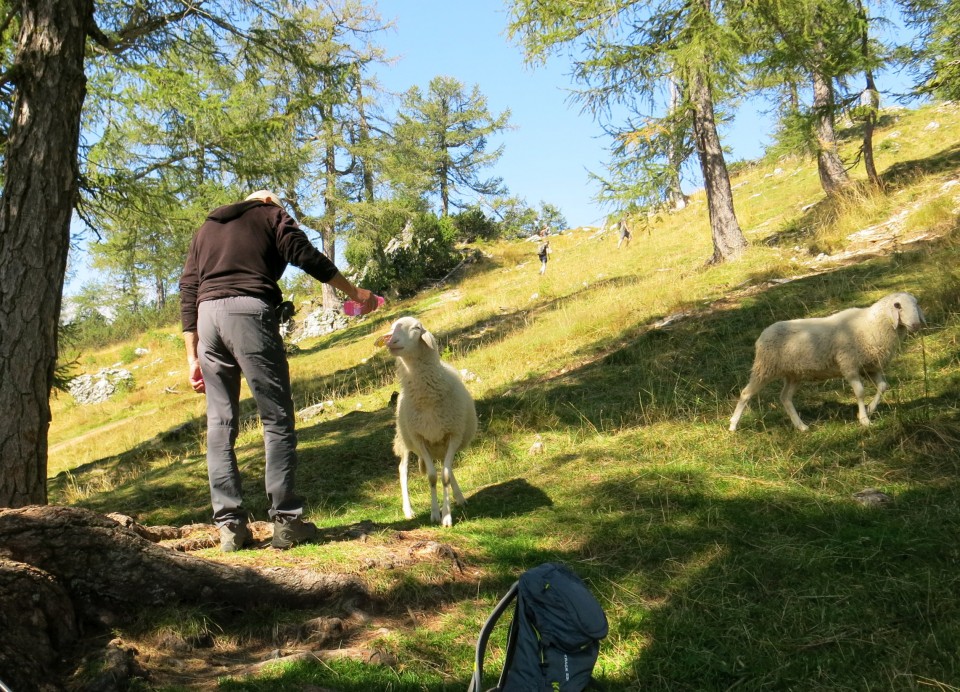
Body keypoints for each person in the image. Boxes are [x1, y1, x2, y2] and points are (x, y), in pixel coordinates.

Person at [179, 190, 379, 552]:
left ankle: (230, 528)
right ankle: (286, 522)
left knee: (220, 423)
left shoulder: (206, 228)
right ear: (269, 202)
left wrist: (191, 356)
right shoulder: (271, 215)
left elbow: (188, 289)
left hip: (207, 320)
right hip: (248, 310)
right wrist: (355, 293)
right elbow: (305, 255)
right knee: (276, 418)